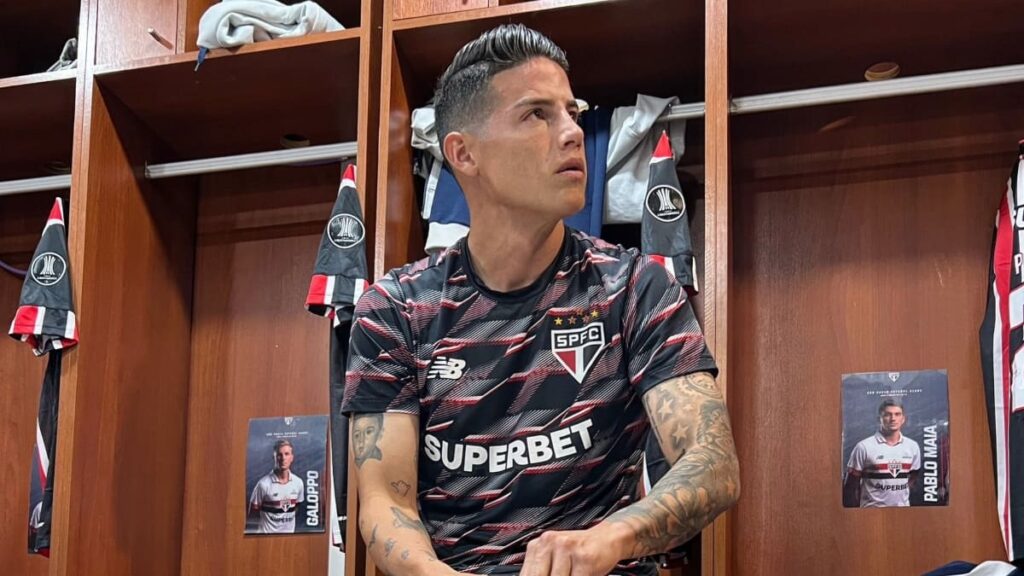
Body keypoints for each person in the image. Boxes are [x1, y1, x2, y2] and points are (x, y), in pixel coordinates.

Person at [342, 24, 740, 576]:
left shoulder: (634, 287)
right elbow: (385, 501)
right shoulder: (396, 309)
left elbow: (712, 463)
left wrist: (608, 539)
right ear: (464, 154)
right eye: (537, 115)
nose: (573, 132)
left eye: (572, 112)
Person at [844, 398, 922, 508]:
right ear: (879, 419)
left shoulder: (912, 446)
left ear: (903, 419)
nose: (893, 419)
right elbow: (850, 487)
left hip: (903, 513)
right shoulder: (863, 447)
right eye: (887, 414)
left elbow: (913, 477)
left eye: (897, 414)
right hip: (871, 514)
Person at [248, 439, 305, 533]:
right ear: (274, 457)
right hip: (266, 539)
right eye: (279, 455)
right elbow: (252, 515)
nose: (283, 458)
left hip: (289, 539)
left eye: (287, 454)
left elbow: (296, 507)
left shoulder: (298, 482)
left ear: (292, 457)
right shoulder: (263, 484)